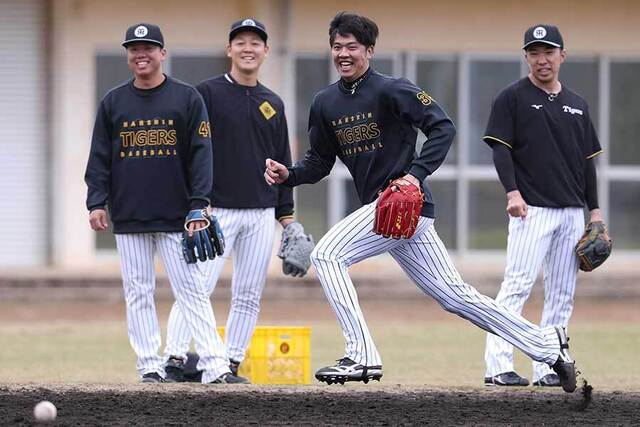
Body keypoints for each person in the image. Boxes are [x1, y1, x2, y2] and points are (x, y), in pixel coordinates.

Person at [264, 12, 578, 393]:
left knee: (327, 254)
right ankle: (546, 344)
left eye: (352, 46)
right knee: (457, 297)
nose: (343, 53)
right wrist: (290, 174)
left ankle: (361, 353)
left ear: (369, 50)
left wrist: (414, 175)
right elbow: (320, 161)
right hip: (386, 214)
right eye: (337, 46)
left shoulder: (391, 89)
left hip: (406, 206)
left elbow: (442, 126)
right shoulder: (325, 102)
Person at [84, 23, 247, 384]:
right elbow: (99, 158)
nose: (141, 54)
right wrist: (96, 202)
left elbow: (202, 156)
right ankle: (149, 367)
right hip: (129, 215)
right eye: (134, 49)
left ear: (162, 53)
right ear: (128, 55)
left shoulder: (187, 98)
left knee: (192, 292)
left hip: (178, 217)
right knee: (138, 293)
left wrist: (199, 204)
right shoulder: (114, 102)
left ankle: (214, 367)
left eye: (148, 48)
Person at [162, 18, 310, 382]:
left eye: (255, 42)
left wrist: (287, 218)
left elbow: (282, 166)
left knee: (248, 293)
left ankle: (229, 363)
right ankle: (175, 359)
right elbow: (188, 152)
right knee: (196, 287)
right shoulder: (206, 95)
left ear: (265, 51)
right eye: (240, 42)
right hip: (215, 210)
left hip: (260, 213)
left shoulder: (272, 103)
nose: (248, 48)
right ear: (229, 49)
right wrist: (194, 203)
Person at [482, 24, 603, 387]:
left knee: (562, 294)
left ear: (562, 56)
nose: (541, 59)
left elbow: (587, 162)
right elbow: (501, 149)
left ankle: (550, 364)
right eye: (534, 52)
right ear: (526, 58)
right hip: (530, 208)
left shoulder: (578, 105)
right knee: (517, 286)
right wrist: (512, 192)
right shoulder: (512, 97)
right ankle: (498, 365)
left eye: (548, 52)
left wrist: (594, 211)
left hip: (570, 212)